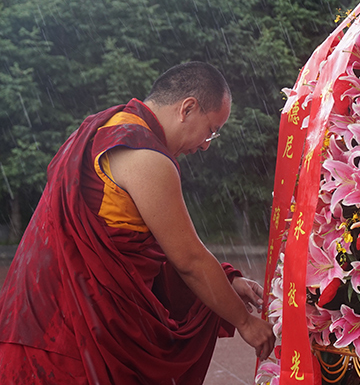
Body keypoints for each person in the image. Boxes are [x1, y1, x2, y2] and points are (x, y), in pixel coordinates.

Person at [0, 61, 275, 384]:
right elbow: (187, 260)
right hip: (70, 339)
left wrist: (226, 283)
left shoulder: (105, 127)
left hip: (34, 319)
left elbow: (147, 248)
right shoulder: (146, 155)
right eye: (212, 130)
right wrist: (245, 322)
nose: (205, 145)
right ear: (187, 108)